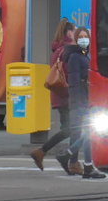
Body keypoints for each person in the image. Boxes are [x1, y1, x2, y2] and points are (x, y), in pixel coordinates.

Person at [29, 18, 76, 172]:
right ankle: (56, 155)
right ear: (69, 32)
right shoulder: (68, 50)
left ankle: (69, 160)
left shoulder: (57, 50)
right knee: (75, 129)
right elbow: (70, 74)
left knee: (71, 129)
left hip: (59, 95)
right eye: (74, 31)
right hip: (68, 95)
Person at [65, 26, 106, 179]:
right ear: (76, 39)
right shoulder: (75, 57)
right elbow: (74, 81)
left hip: (88, 99)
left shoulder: (85, 55)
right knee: (90, 133)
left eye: (86, 36)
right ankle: (86, 165)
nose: (84, 39)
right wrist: (78, 102)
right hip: (82, 101)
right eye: (80, 37)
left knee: (89, 133)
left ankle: (68, 155)